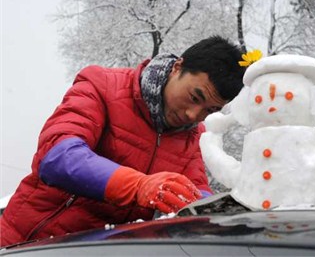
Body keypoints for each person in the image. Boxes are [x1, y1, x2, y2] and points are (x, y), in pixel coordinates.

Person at [0, 36, 246, 246]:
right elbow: (57, 156)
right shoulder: (102, 86)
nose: (193, 115)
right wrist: (137, 186)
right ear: (177, 67)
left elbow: (194, 194)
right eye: (194, 97)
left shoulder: (192, 134)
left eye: (209, 110)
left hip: (102, 251)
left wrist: (223, 210)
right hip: (29, 243)